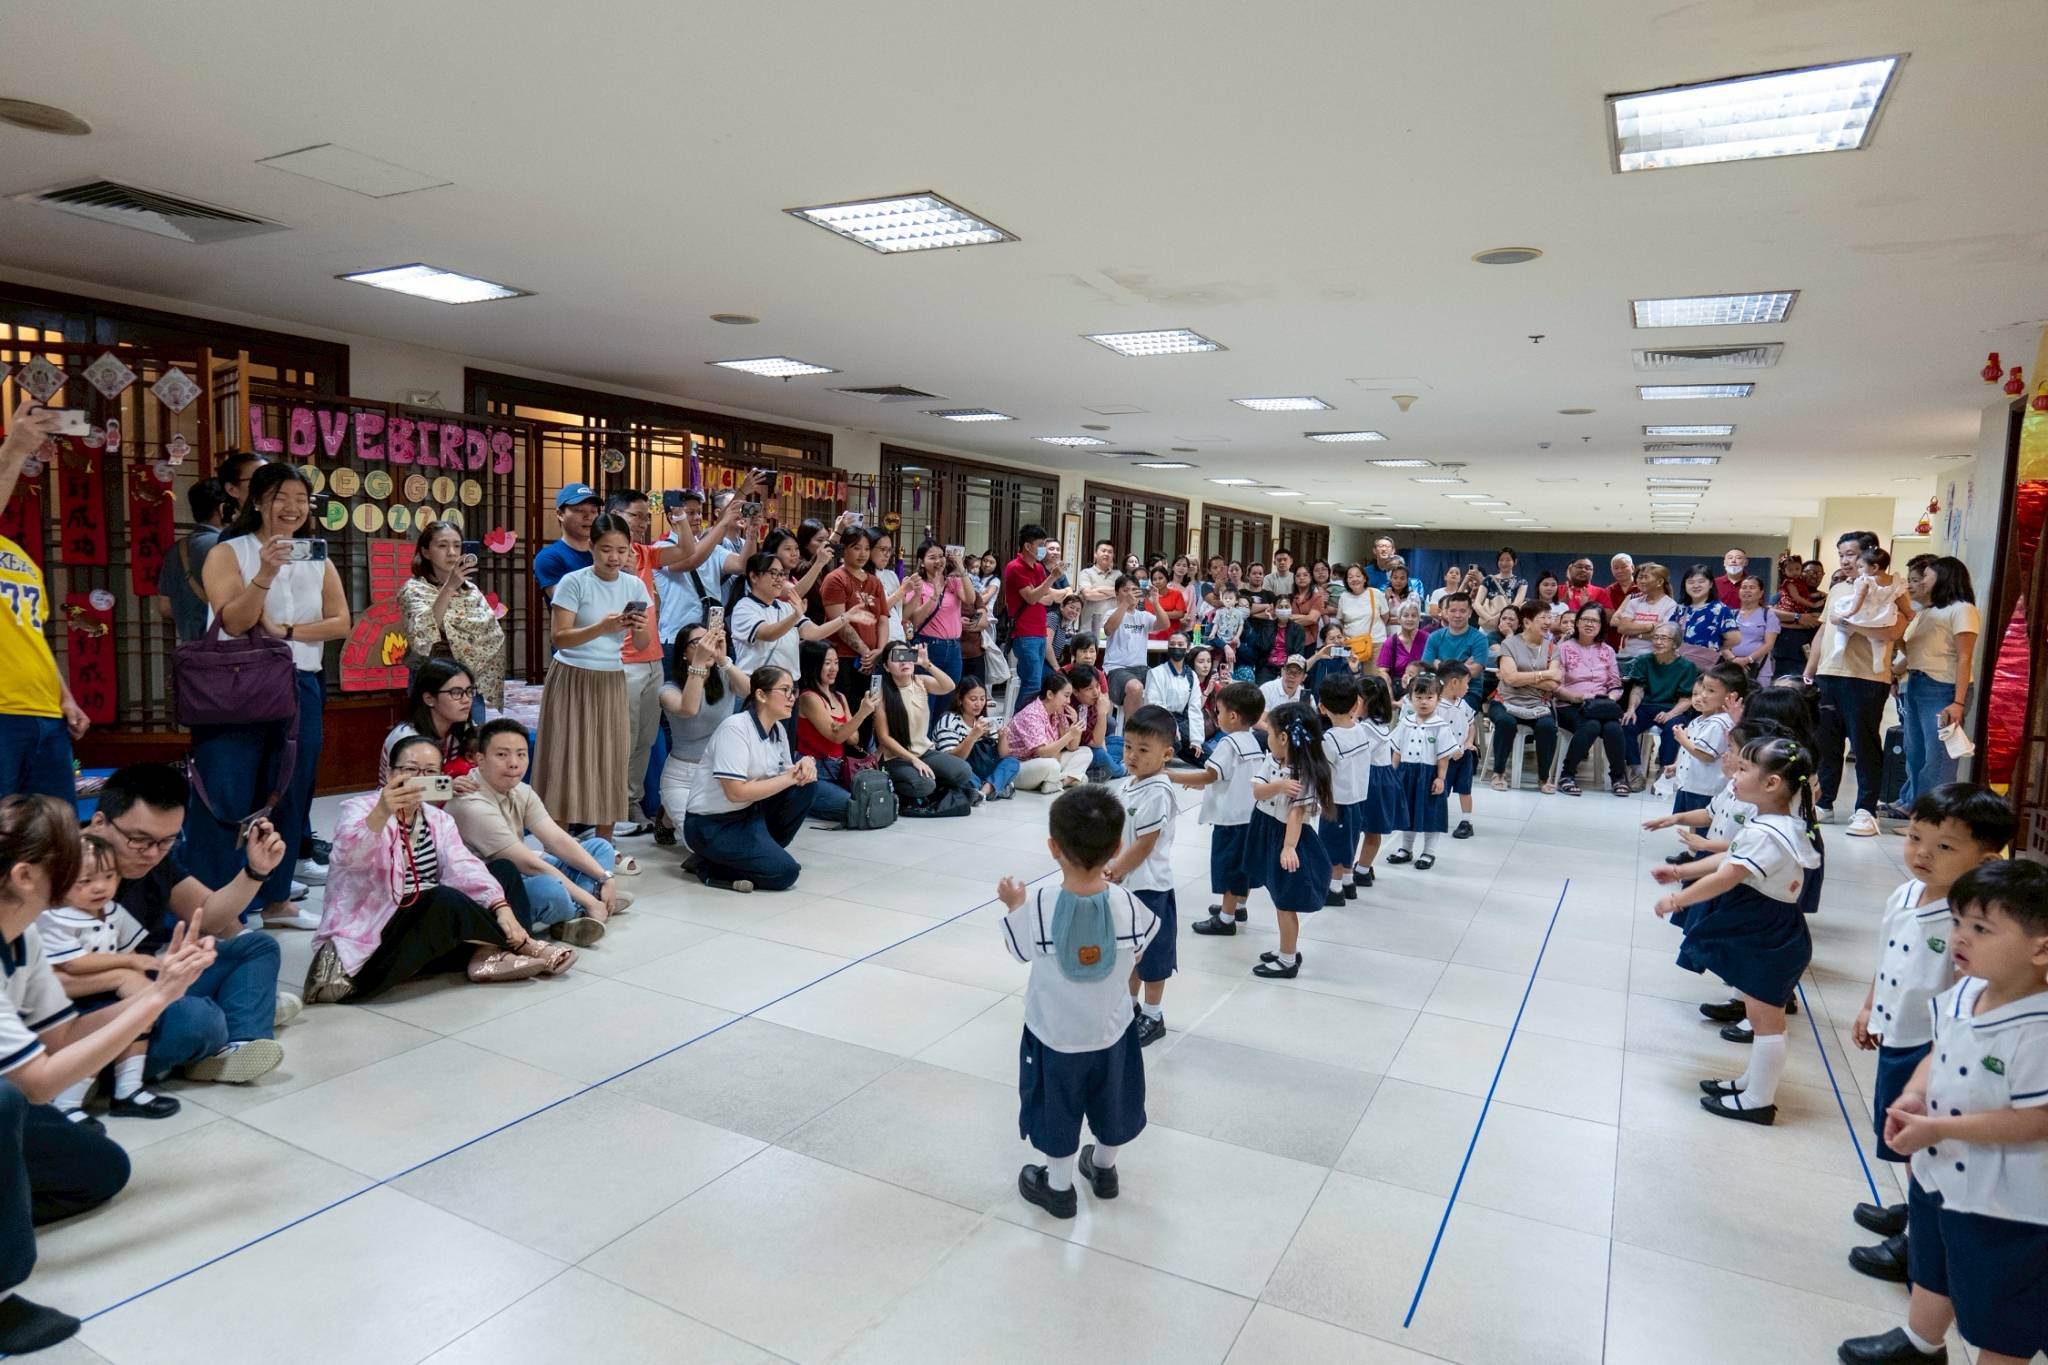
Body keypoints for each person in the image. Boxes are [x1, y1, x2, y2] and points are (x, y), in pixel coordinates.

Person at [0, 794, 214, 1355]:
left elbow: (62, 1038)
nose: (95, 865)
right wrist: (154, 997)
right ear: (25, 875)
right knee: (5, 1101)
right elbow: (39, 1082)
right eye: (72, 858)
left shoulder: (21, 936)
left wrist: (164, 990)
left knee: (99, 1170)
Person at [1836, 858, 2048, 1365]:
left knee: (2000, 1310)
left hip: (2006, 1200)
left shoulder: (2038, 1029)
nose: (1960, 938)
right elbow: (1938, 1051)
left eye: (1981, 928)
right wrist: (1913, 1095)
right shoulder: (1965, 992)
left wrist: (1938, 1126)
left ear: (2041, 948)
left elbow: (2036, 1120)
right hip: (1940, 1169)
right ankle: (1921, 1343)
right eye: (1957, 922)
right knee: (1934, 1260)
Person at [1842, 785, 2014, 1286]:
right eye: (1916, 837)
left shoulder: (1972, 924)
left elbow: (1971, 998)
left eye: (1944, 847)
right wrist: (1871, 1004)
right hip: (1897, 1036)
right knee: (1902, 1134)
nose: (1922, 853)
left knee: (1925, 1143)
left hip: (1935, 1052)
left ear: (1984, 860)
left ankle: (1919, 1242)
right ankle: (1916, 1209)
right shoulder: (1905, 892)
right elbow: (1888, 953)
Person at [196, 461, 351, 928]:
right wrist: (263, 574)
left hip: (299, 682)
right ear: (257, 501)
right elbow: (235, 621)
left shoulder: (318, 556)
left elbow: (341, 621)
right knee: (228, 792)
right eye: (281, 497)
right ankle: (220, 907)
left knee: (291, 789)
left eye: (302, 500)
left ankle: (278, 899)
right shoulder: (228, 553)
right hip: (236, 683)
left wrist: (284, 630)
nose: (293, 508)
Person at [304, 735, 568, 1003]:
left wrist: (501, 906)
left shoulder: (438, 819)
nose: (420, 778)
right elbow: (350, 858)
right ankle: (519, 946)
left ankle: (489, 953)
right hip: (379, 937)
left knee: (503, 871)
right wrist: (383, 811)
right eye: (410, 770)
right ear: (389, 772)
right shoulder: (360, 809)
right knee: (442, 898)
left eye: (430, 772)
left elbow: (463, 867)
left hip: (429, 925)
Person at [1001, 786, 1157, 1220]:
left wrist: (1015, 905)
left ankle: (1058, 1188)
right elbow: (1140, 951)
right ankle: (1104, 1171)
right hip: (1112, 1033)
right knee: (1114, 1102)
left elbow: (1019, 951)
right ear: (1117, 847)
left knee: (1056, 1107)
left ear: (1054, 848)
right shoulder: (1129, 904)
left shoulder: (1040, 907)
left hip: (1054, 1036)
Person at [1650, 735, 1822, 1124]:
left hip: (1766, 935)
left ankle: (1759, 1100)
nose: (1735, 775)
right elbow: (1731, 855)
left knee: (1767, 1023)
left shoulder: (1766, 832)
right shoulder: (1776, 823)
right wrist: (1680, 871)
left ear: (1772, 783)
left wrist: (1678, 898)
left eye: (1744, 769)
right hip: (1768, 929)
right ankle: (1751, 1083)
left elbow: (1729, 875)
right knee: (1764, 1019)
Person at [82, 764, 288, 1082]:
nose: (152, 854)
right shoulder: (61, 870)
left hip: (147, 986)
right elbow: (41, 979)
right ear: (99, 823)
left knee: (256, 947)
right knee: (197, 1019)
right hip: (88, 1015)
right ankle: (241, 1010)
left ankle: (237, 1043)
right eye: (139, 840)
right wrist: (130, 976)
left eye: (166, 841)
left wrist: (255, 871)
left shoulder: (156, 859)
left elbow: (210, 915)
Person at [38, 835, 180, 1124]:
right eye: (85, 881)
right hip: (68, 1005)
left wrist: (142, 992)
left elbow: (130, 949)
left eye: (109, 876)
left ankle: (128, 1091)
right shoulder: (54, 917)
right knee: (95, 1041)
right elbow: (74, 964)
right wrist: (129, 964)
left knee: (138, 1023)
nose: (100, 887)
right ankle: (66, 1104)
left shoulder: (114, 912)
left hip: (109, 994)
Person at [451, 719, 630, 948]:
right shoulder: (471, 804)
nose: (514, 763)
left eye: (521, 754)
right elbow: (528, 864)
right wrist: (587, 898)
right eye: (502, 755)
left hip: (524, 871)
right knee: (550, 889)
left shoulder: (520, 790)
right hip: (497, 888)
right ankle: (588, 903)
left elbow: (557, 839)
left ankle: (577, 912)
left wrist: (606, 877)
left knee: (600, 848)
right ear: (480, 759)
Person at [534, 513, 652, 846]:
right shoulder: (575, 581)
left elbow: (640, 645)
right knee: (564, 755)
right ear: (591, 547)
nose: (614, 558)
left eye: (621, 550)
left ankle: (604, 843)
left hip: (611, 677)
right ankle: (558, 845)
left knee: (610, 759)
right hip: (571, 676)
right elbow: (560, 637)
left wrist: (639, 629)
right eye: (605, 550)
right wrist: (602, 627)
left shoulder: (635, 586)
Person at [0, 403, 91, 801]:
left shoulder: (19, 558)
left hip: (44, 715)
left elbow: (31, 634)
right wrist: (15, 449)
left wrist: (65, 697)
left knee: (56, 838)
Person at [681, 666, 817, 893]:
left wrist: (807, 763)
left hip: (749, 813)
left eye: (793, 691)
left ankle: (759, 854)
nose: (792, 697)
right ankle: (707, 865)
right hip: (711, 824)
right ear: (761, 695)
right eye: (785, 690)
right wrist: (792, 776)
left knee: (806, 787)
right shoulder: (735, 728)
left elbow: (788, 775)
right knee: (785, 873)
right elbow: (735, 793)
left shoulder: (778, 731)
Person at [1807, 531, 1899, 835]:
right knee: (1827, 743)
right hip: (1829, 673)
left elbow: (1893, 631)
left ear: (1868, 555)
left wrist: (1850, 624)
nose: (1845, 561)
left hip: (1867, 678)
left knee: (1864, 744)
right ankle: (1824, 803)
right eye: (1841, 554)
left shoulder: (1886, 588)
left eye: (1851, 554)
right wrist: (1810, 671)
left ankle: (1865, 810)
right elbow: (1822, 632)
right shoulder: (1837, 588)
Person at [1239, 702, 1333, 980]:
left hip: (1286, 838)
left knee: (1285, 902)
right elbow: (1257, 791)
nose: (1267, 739)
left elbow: (1297, 813)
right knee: (1276, 894)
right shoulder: (1272, 760)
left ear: (1283, 738)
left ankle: (1288, 959)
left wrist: (1289, 847)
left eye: (1269, 733)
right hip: (1265, 828)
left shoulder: (1305, 773)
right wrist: (1278, 786)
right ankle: (1285, 950)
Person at [1106, 706, 1180, 1047]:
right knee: (1128, 952)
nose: (1132, 756)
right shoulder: (1131, 784)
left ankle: (1154, 1014)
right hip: (1127, 886)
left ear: (1166, 754)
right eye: (1128, 747)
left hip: (1150, 889)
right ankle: (1129, 1006)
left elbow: (1146, 844)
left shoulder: (1158, 791)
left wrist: (1116, 869)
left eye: (1143, 750)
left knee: (1153, 957)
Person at [1893, 556, 1981, 814]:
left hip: (1943, 688)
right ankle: (1916, 809)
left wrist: (1958, 702)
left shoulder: (1962, 609)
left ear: (1944, 578)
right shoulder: (1925, 612)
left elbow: (1964, 657)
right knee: (1915, 753)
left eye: (1927, 577)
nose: (1921, 582)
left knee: (1938, 758)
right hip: (1917, 684)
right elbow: (1913, 651)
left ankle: (1933, 816)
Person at [1179, 681, 1264, 935]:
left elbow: (1209, 774)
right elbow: (1229, 776)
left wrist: (1172, 776)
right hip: (1249, 815)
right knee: (1243, 865)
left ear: (1233, 716)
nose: (1217, 717)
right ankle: (1238, 907)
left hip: (1230, 820)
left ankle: (1226, 920)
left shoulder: (1229, 743)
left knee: (1228, 868)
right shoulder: (1253, 740)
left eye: (1219, 712)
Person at [398, 519, 508, 714]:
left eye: (457, 546)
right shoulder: (413, 589)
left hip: (467, 678)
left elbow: (491, 634)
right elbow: (422, 633)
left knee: (470, 739)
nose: (451, 552)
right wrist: (449, 587)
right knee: (431, 738)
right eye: (442, 545)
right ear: (425, 552)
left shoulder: (471, 590)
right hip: (430, 677)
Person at [659, 622, 753, 828]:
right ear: (684, 653)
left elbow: (748, 691)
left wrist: (723, 659)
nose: (707, 646)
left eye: (710, 639)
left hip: (719, 771)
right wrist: (699, 663)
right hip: (682, 775)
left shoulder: (724, 676)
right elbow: (689, 709)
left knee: (732, 833)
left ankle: (669, 815)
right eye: (698, 643)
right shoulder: (669, 690)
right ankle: (668, 814)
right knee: (700, 840)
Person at [873, 640, 974, 808]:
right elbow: (884, 738)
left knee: (963, 771)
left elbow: (949, 686)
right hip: (896, 758)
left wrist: (927, 664)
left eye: (907, 656)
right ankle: (901, 786)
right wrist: (913, 760)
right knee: (924, 785)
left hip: (925, 752)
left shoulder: (921, 682)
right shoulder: (881, 694)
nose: (904, 662)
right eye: (897, 658)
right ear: (885, 666)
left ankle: (928, 783)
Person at [792, 639, 872, 824]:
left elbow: (853, 738)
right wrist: (862, 713)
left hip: (838, 769)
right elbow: (837, 736)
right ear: (812, 665)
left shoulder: (840, 697)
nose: (833, 668)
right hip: (814, 770)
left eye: (836, 662)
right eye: (827, 663)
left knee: (873, 798)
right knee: (857, 809)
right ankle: (806, 801)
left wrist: (842, 729)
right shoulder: (808, 698)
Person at [1554, 604, 1630, 796]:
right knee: (1591, 726)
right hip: (1569, 705)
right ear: (1577, 622)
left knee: (1613, 727)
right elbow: (1555, 685)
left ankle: (1618, 777)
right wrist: (1577, 697)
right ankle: (1567, 775)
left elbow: (1615, 684)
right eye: (1585, 619)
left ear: (1601, 625)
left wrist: (1610, 699)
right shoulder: (1562, 649)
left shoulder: (1608, 651)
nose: (1589, 624)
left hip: (1600, 705)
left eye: (1594, 620)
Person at [379, 658, 486, 786]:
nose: (466, 700)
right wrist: (449, 786)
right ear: (429, 699)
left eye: (469, 691)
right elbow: (406, 788)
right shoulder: (406, 737)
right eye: (456, 693)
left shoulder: (461, 727)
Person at [1386, 672, 1454, 869]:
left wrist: (1441, 778)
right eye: (1419, 697)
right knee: (1408, 813)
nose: (1424, 702)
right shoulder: (1405, 722)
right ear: (1410, 698)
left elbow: (1443, 756)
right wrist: (1393, 774)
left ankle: (1429, 852)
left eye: (1430, 697)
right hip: (1407, 773)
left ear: (1438, 699)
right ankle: (1406, 849)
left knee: (1431, 814)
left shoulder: (1440, 726)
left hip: (1429, 775)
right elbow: (1397, 751)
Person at [1490, 604, 1560, 794]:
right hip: (1505, 701)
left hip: (1538, 704)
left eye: (1549, 617)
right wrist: (1543, 675)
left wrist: (1521, 677)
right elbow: (1510, 679)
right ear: (1527, 622)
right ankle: (1498, 773)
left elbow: (1554, 684)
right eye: (1542, 618)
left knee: (1547, 727)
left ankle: (1544, 777)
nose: (1548, 622)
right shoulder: (1509, 644)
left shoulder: (1552, 647)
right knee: (1505, 723)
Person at [1315, 673, 1372, 907]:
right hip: (1358, 798)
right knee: (1350, 840)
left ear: (1321, 707)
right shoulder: (1361, 729)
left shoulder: (1329, 740)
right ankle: (1348, 882)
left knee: (1332, 846)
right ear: (1356, 704)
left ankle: (1334, 889)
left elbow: (1323, 775)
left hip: (1336, 802)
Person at [1620, 622, 1701, 787]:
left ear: (1675, 643)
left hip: (1673, 708)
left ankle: (1665, 772)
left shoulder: (1687, 667)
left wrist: (1671, 714)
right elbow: (1638, 688)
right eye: (1655, 637)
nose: (1658, 642)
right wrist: (1631, 709)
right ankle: (1635, 770)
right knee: (1626, 723)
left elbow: (1686, 699)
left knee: (1674, 728)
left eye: (1664, 638)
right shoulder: (1644, 660)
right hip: (1647, 706)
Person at [155, 476, 229, 645]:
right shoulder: (226, 547)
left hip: (192, 653)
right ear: (223, 509)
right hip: (228, 652)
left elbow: (164, 607)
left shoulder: (177, 549)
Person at [1002, 524, 1068, 711]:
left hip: (1039, 631)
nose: (1043, 549)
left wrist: (1042, 591)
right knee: (1032, 684)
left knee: (1036, 684)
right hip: (1024, 633)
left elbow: (1045, 599)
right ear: (1028, 545)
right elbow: (1032, 598)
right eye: (1040, 545)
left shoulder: (1038, 568)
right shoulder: (1015, 567)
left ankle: (1025, 724)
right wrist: (1052, 579)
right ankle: (1018, 726)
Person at [1668, 664, 1748, 816]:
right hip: (1692, 784)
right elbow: (1693, 750)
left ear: (1731, 697)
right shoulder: (1700, 720)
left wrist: (1682, 739)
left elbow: (1706, 755)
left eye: (1710, 691)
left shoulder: (1718, 723)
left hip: (1705, 789)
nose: (1703, 695)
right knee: (1691, 820)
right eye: (1702, 688)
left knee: (1701, 823)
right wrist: (1678, 765)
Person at [902, 540, 973, 698]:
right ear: (922, 562)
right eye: (932, 557)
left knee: (950, 695)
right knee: (927, 699)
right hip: (927, 646)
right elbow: (913, 620)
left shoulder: (953, 581)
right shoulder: (917, 583)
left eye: (941, 556)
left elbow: (970, 599)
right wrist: (934, 596)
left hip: (954, 647)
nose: (938, 561)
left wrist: (961, 569)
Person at [1003, 672, 1093, 792]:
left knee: (1086, 752)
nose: (1069, 701)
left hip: (1047, 760)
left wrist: (1075, 722)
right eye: (1066, 696)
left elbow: (1072, 747)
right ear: (1050, 694)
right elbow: (1043, 753)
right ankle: (1071, 778)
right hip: (1019, 767)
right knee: (1052, 765)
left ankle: (1060, 782)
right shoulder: (1031, 714)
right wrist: (1070, 734)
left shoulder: (1058, 711)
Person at [820, 526, 890, 678]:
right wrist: (866, 653)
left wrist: (880, 650)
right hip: (843, 658)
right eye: (857, 548)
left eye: (867, 549)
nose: (863, 554)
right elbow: (840, 623)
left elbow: (883, 619)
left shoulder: (875, 582)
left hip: (873, 659)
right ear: (844, 549)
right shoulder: (835, 579)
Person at [934, 677, 1015, 800]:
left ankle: (983, 790)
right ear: (960, 699)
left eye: (982, 699)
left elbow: (1002, 755)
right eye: (973, 699)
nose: (979, 704)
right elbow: (951, 760)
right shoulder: (949, 720)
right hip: (962, 767)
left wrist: (1003, 737)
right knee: (964, 772)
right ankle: (996, 787)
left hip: (983, 768)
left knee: (1012, 762)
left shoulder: (985, 720)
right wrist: (972, 737)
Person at [1101, 574, 1159, 720]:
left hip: (1141, 669)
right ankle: (1131, 734)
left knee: (1165, 682)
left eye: (1134, 590)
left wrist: (1156, 603)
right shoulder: (1110, 613)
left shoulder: (1144, 616)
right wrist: (1125, 604)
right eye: (1126, 590)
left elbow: (1164, 625)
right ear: (1116, 593)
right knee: (1135, 687)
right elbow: (1108, 630)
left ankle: (1157, 732)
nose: (1130, 594)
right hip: (1116, 670)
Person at [1142, 630, 1204, 764]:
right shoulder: (1156, 673)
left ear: (1187, 648)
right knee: (1173, 743)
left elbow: (1194, 708)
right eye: (1172, 644)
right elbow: (1154, 704)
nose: (1176, 648)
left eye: (1180, 644)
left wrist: (1196, 740)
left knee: (1206, 757)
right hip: (1161, 720)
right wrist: (1172, 725)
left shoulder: (1191, 675)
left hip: (1183, 721)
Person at [532, 482, 601, 600]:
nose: (588, 517)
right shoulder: (549, 557)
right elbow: (565, 601)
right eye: (579, 510)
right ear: (560, 514)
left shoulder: (605, 553)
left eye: (593, 511)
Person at [1675, 563, 1740, 672]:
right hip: (1678, 666)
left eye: (1701, 581)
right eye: (1690, 582)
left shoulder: (1720, 609)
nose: (1695, 586)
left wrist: (1713, 646)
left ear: (1710, 584)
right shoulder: (1680, 608)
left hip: (1705, 668)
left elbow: (1735, 639)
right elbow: (1671, 634)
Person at [1770, 557, 1825, 681]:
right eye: (1810, 572)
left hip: (1815, 656)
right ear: (1802, 573)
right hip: (1786, 653)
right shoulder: (1785, 594)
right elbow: (1769, 613)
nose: (1815, 576)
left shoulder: (1824, 598)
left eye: (1819, 573)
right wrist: (1798, 617)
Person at [1613, 561, 1678, 659]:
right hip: (1628, 656)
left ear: (1660, 582)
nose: (1641, 581)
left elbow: (1662, 636)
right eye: (1640, 577)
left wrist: (1636, 633)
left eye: (1646, 577)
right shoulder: (1633, 602)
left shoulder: (1671, 605)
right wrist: (1650, 626)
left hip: (1654, 659)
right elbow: (1622, 628)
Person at [1421, 591, 1487, 681]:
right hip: (1438, 690)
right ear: (1447, 612)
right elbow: (1426, 667)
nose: (1457, 615)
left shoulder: (1480, 639)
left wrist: (1440, 665)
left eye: (1462, 611)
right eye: (1453, 611)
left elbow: (1474, 671)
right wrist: (1463, 667)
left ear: (1470, 613)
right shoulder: (1434, 637)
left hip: (1468, 691)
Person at [1725, 574, 1779, 681]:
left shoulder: (1768, 615)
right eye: (1744, 588)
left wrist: (1748, 659)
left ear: (1761, 593)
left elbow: (1769, 644)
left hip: (1759, 669)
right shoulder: (1730, 614)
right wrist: (1733, 659)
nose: (1747, 591)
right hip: (1732, 668)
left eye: (1752, 587)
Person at [1334, 562, 1386, 661]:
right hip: (1351, 645)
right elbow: (1341, 621)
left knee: (1374, 676)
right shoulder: (1344, 597)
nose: (1354, 579)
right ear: (1346, 581)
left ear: (1365, 578)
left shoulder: (1376, 593)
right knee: (1352, 675)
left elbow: (1385, 617)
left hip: (1375, 643)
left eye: (1358, 576)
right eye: (1350, 577)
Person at [1378, 599, 1429, 693]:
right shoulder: (1390, 642)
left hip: (1425, 690)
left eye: (1414, 616)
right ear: (1399, 619)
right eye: (1405, 615)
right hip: (1399, 690)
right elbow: (1383, 672)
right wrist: (1391, 699)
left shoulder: (1428, 639)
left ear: (1419, 619)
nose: (1410, 619)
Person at [1075, 540, 1121, 637]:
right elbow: (1088, 595)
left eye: (1110, 552)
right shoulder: (1086, 573)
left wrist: (1098, 589)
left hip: (1113, 629)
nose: (1106, 554)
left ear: (1113, 556)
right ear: (1095, 554)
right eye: (1103, 551)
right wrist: (1113, 592)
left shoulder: (1118, 575)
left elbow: (1123, 595)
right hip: (1089, 629)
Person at [1145, 562, 1185, 641]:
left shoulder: (1176, 594)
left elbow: (1180, 614)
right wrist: (1169, 613)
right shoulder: (1148, 597)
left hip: (1172, 637)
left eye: (1160, 578)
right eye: (1154, 579)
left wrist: (1159, 614)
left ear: (1167, 579)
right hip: (1151, 637)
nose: (1157, 581)